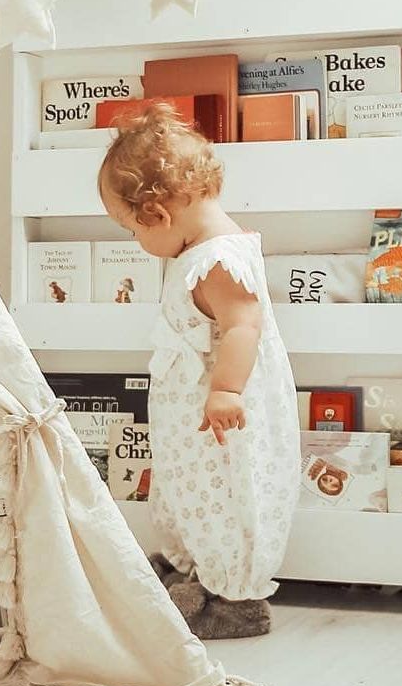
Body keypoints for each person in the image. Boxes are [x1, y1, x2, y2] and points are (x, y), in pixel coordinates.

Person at [98, 102, 299, 637]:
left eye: (130, 230)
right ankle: (193, 570)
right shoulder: (195, 254)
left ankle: (234, 596)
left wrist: (226, 390)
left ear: (157, 216)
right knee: (191, 493)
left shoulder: (217, 262)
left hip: (220, 416)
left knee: (225, 498)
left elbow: (242, 328)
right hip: (194, 419)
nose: (137, 243)